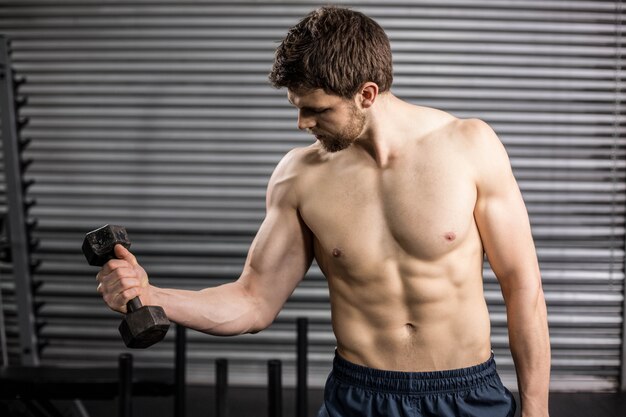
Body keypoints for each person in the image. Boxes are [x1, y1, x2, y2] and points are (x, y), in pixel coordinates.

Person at [96, 6, 550, 417]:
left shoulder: (470, 146)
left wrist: (536, 409)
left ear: (366, 94)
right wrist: (157, 297)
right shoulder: (301, 175)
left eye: (316, 111)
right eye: (298, 110)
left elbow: (522, 287)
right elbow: (253, 301)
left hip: (466, 392)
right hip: (359, 396)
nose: (303, 124)